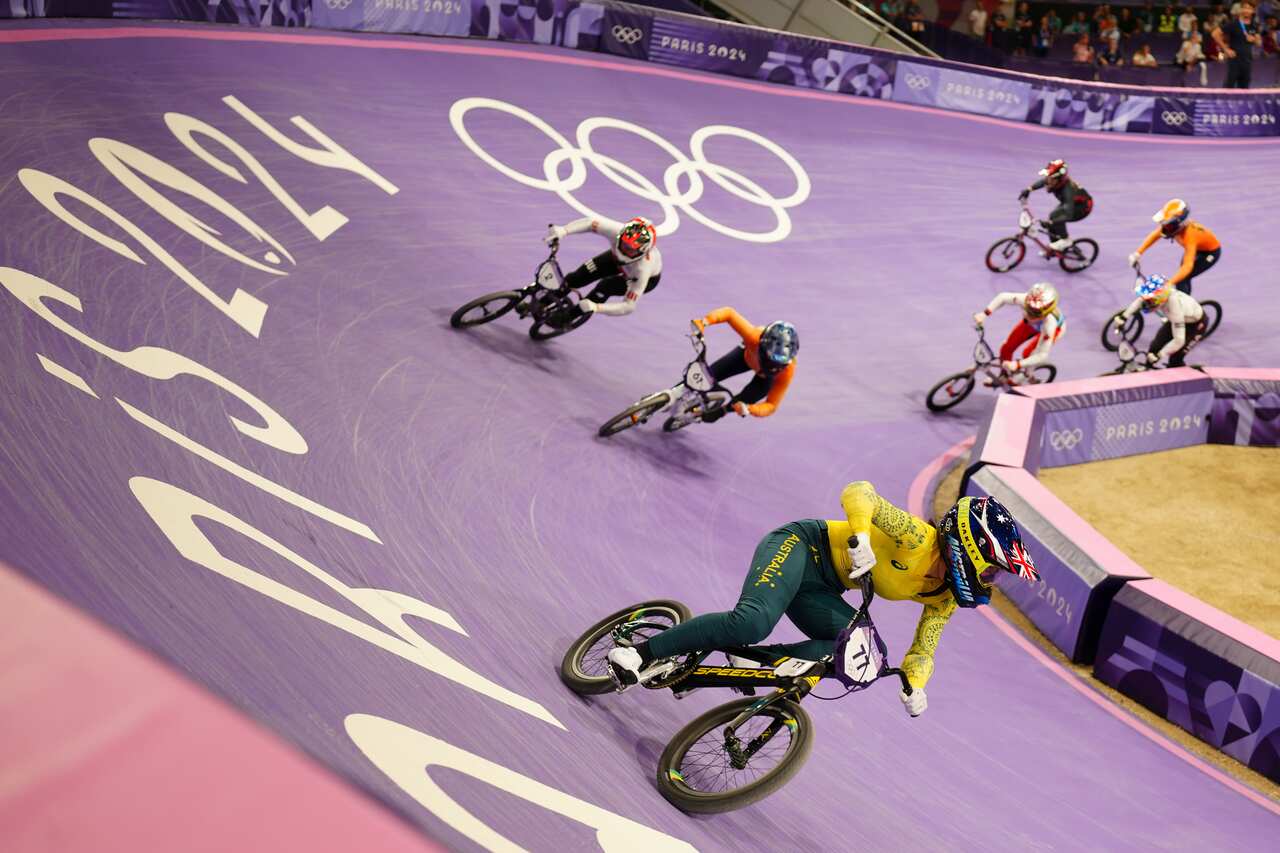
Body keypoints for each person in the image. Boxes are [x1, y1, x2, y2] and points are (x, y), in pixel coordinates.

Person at [606, 484, 1041, 719]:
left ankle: (751, 664)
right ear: (967, 547)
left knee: (861, 655)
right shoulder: (915, 536)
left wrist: (916, 686)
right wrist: (861, 536)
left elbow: (923, 649)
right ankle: (637, 652)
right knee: (752, 622)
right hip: (800, 546)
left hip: (821, 590)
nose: (991, 581)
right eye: (992, 568)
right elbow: (860, 492)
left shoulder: (943, 595)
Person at [691, 307, 797, 421]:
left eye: (779, 365)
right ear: (761, 347)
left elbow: (771, 405)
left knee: (742, 402)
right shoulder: (753, 337)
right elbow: (729, 313)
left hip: (765, 378)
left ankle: (721, 411)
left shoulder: (787, 371)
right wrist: (704, 322)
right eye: (770, 361)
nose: (772, 367)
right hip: (746, 357)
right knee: (706, 376)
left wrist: (749, 408)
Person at [543, 216, 661, 318]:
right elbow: (590, 223)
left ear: (643, 251)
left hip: (635, 275)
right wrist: (563, 230)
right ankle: (544, 301)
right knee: (576, 277)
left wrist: (597, 307)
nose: (625, 250)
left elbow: (629, 306)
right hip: (614, 259)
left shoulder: (643, 270)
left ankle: (569, 316)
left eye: (630, 249)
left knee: (605, 287)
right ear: (621, 236)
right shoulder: (616, 231)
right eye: (624, 244)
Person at [1128, 199, 1221, 295]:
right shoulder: (1174, 226)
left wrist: (1168, 284)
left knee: (1183, 278)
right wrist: (1138, 253)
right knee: (1181, 277)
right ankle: (1185, 301)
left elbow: (1187, 267)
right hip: (1197, 248)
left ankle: (1186, 307)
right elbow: (1155, 235)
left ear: (1178, 224)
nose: (1165, 228)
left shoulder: (1190, 236)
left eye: (1168, 225)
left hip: (1210, 253)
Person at [1114, 275, 1207, 367]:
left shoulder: (1174, 308)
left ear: (1160, 300)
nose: (1146, 303)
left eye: (1149, 301)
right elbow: (1140, 300)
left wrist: (1160, 355)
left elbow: (1179, 340)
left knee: (1175, 358)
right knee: (1154, 347)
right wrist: (1123, 317)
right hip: (1176, 320)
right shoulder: (1158, 296)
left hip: (1195, 326)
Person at [973, 282, 1065, 375]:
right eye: (1028, 311)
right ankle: (1004, 375)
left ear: (1045, 313)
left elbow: (1042, 355)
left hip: (1053, 329)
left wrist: (1018, 364)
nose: (1029, 317)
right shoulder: (1025, 299)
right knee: (1006, 348)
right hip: (1032, 325)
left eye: (1034, 315)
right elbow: (1003, 297)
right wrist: (985, 313)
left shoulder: (1050, 325)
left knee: (1028, 354)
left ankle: (1028, 375)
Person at [1019, 159, 1093, 252]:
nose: (1048, 181)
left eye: (1051, 179)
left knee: (1055, 220)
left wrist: (1051, 223)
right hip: (1072, 203)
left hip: (1082, 208)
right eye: (1048, 177)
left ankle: (1065, 240)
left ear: (1059, 179)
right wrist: (1029, 189)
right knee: (1052, 217)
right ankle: (1056, 247)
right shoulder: (1054, 180)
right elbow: (1043, 181)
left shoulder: (1068, 192)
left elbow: (1068, 214)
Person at [1214, 1, 1261, 88]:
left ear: (1253, 11)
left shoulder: (1254, 25)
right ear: (1241, 10)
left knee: (1244, 88)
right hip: (1234, 61)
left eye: (1249, 8)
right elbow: (1215, 34)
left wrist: (1254, 39)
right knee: (1228, 87)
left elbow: (1259, 43)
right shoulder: (1233, 24)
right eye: (1244, 8)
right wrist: (1226, 49)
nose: (1246, 10)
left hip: (1247, 61)